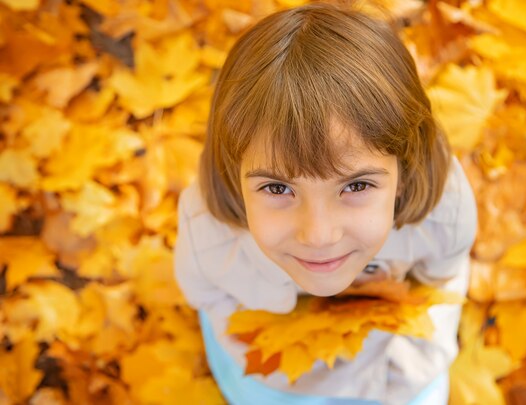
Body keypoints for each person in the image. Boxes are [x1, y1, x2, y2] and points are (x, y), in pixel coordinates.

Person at [174, 2, 477, 404]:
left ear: (403, 168)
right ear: (233, 170)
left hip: (393, 365)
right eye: (278, 189)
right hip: (278, 373)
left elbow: (441, 280)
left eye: (356, 187)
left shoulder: (444, 216)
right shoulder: (210, 236)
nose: (318, 235)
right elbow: (208, 295)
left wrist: (407, 365)